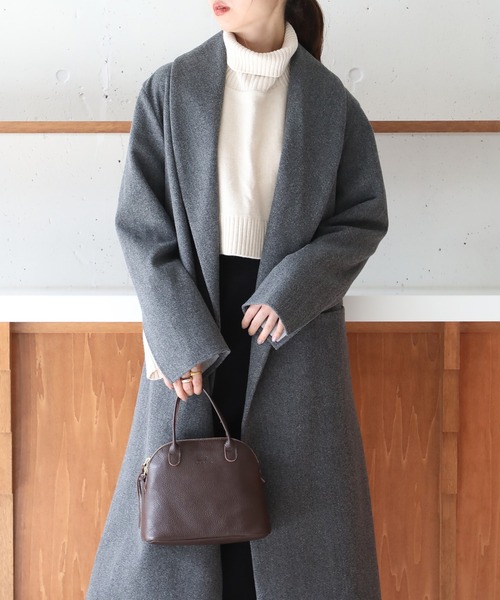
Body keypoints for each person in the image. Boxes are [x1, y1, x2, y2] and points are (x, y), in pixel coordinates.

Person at [86, 0, 388, 598]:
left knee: (293, 519)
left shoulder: (332, 104)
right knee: (185, 508)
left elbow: (362, 218)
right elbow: (142, 226)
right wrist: (177, 338)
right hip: (193, 317)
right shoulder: (170, 89)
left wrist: (296, 287)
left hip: (288, 326)